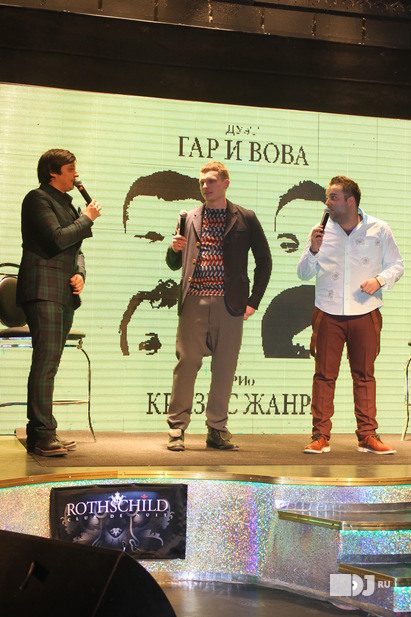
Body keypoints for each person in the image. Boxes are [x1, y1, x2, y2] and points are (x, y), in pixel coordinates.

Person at [165, 160, 272, 451]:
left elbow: (264, 260)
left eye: (211, 181)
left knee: (224, 368)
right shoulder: (188, 217)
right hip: (194, 300)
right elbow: (174, 263)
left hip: (230, 303)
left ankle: (216, 428)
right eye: (202, 181)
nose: (205, 186)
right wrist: (174, 250)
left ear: (225, 183)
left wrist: (253, 301)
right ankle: (177, 429)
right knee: (187, 364)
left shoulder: (245, 217)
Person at [297, 175, 403, 454]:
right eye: (327, 197)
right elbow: (303, 273)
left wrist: (379, 280)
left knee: (364, 375)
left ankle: (367, 435)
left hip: (365, 312)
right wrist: (313, 249)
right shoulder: (320, 231)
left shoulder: (379, 229)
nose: (327, 202)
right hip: (328, 312)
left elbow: (397, 265)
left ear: (350, 201)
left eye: (333, 197)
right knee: (324, 375)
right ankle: (320, 436)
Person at [17, 149, 101, 456]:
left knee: (50, 362)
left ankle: (42, 431)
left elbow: (76, 250)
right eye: (70, 169)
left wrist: (80, 273)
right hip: (43, 289)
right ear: (53, 172)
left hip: (62, 292)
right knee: (46, 361)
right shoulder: (38, 199)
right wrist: (86, 218)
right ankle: (42, 433)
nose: (76, 175)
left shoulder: (67, 203)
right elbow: (56, 239)